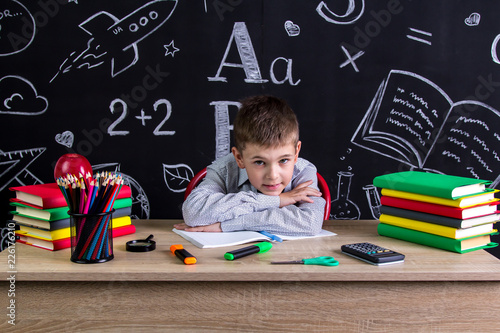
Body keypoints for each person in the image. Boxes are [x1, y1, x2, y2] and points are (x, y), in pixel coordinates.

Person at [175, 95, 326, 236]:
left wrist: (226, 225)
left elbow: (310, 222)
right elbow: (193, 213)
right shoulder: (223, 170)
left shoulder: (304, 171)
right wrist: (278, 200)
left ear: (296, 152)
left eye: (283, 160)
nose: (273, 175)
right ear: (239, 158)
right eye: (259, 162)